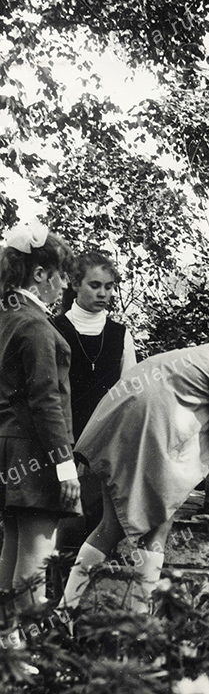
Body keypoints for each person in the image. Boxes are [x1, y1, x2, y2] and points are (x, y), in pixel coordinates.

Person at [60, 308, 209, 613]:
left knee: (119, 524)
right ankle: (128, 616)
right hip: (147, 428)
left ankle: (71, 611)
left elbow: (201, 421)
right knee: (152, 523)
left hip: (125, 418)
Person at [0, 221, 81, 608]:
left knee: (12, 551)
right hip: (36, 454)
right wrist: (64, 465)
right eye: (61, 276)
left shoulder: (6, 318)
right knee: (35, 559)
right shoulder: (34, 326)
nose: (65, 285)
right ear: (39, 275)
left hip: (9, 450)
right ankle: (26, 654)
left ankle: (9, 646)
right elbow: (46, 400)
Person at [53, 252, 137, 551]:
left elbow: (128, 399)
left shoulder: (120, 335)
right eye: (95, 285)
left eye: (110, 286)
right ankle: (55, 593)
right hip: (63, 444)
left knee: (102, 528)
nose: (104, 293)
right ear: (75, 284)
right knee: (65, 526)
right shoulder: (55, 330)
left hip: (106, 447)